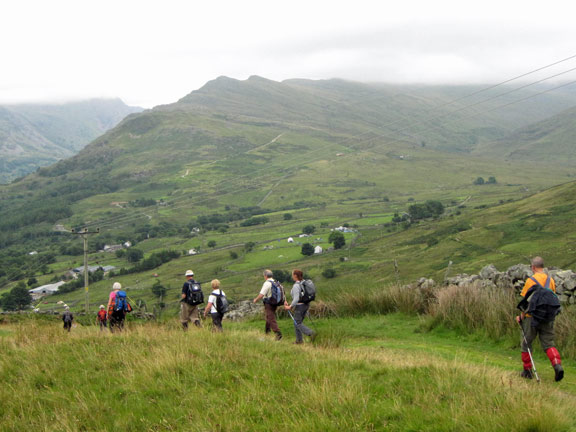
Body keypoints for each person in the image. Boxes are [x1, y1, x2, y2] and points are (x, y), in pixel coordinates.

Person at [516, 256, 564, 382]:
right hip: (547, 318)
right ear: (543, 266)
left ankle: (527, 371)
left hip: (531, 318)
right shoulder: (551, 281)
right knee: (549, 344)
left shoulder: (531, 281)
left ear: (533, 267)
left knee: (526, 343)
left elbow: (525, 303)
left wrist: (520, 317)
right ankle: (557, 365)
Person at [284, 269, 316, 344]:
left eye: (292, 274)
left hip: (299, 307)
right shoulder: (304, 283)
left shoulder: (296, 286)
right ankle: (299, 341)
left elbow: (296, 299)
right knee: (297, 323)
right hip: (306, 305)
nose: (292, 276)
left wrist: (290, 306)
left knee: (297, 323)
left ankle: (311, 333)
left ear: (295, 275)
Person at [253, 269, 283, 340]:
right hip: (275, 302)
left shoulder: (267, 283)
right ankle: (267, 333)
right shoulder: (276, 282)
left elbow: (261, 294)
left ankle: (278, 334)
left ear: (265, 276)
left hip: (269, 303)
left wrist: (256, 300)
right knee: (268, 317)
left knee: (271, 318)